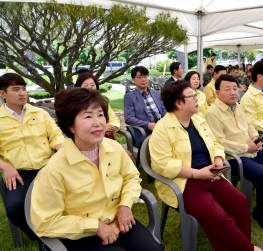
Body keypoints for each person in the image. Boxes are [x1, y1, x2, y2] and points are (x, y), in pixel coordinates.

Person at [31, 88, 163, 251]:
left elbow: (131, 178)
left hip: (119, 221)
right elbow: (45, 222)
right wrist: (95, 226)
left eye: (100, 114)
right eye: (88, 116)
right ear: (70, 126)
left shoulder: (114, 148)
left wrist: (125, 206)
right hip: (81, 234)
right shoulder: (55, 169)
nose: (98, 122)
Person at [150, 80, 262, 251]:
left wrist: (217, 160)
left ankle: (240, 246)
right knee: (218, 216)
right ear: (178, 103)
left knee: (240, 201)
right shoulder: (162, 128)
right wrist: (197, 173)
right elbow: (162, 164)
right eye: (191, 96)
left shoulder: (198, 120)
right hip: (186, 183)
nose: (197, 99)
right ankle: (248, 249)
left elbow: (215, 144)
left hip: (212, 175)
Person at [205, 74, 263, 234]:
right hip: (234, 158)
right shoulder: (212, 113)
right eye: (227, 89)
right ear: (217, 93)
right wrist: (246, 147)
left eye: (234, 88)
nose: (233, 92)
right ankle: (261, 211)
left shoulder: (237, 106)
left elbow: (250, 124)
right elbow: (219, 143)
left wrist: (254, 138)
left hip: (251, 151)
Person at [0, 73, 64, 244]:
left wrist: (62, 150)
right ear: (2, 94)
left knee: (73, 198)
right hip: (20, 175)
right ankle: (43, 238)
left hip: (48, 169)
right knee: (15, 210)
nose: (22, 93)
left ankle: (68, 232)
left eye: (24, 88)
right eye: (16, 89)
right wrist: (5, 166)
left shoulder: (40, 113)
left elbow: (56, 136)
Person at [124, 66, 167, 147]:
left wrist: (167, 120)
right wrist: (148, 124)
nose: (143, 79)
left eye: (145, 76)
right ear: (133, 79)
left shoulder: (155, 93)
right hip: (146, 132)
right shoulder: (130, 97)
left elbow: (163, 109)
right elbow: (129, 118)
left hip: (162, 127)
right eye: (139, 77)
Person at [75, 72, 120, 139]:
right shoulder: (74, 105)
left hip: (106, 139)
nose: (90, 88)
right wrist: (103, 127)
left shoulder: (102, 103)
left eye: (92, 85)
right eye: (86, 85)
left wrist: (111, 127)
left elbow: (114, 120)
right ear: (79, 87)